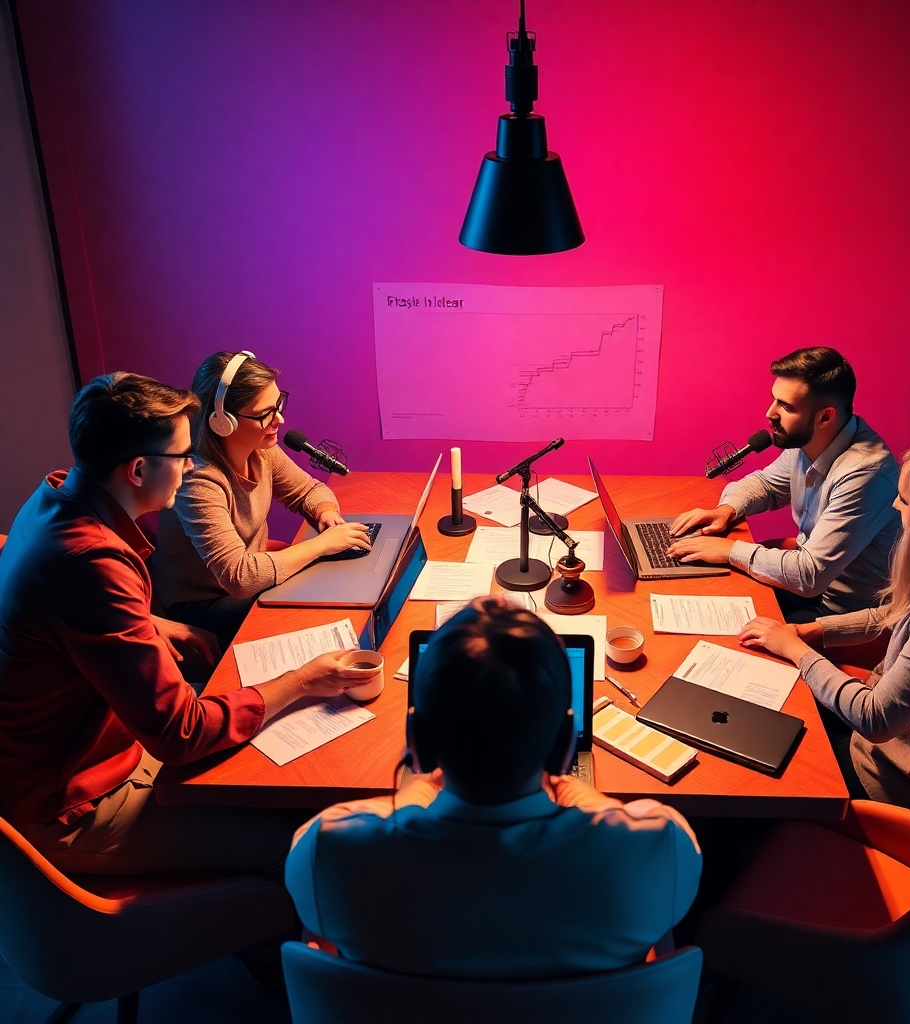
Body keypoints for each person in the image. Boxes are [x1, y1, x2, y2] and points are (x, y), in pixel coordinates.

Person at [0, 372, 364, 877]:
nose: (192, 465)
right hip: (74, 805)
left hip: (108, 744)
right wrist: (303, 680)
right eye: (182, 455)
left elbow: (54, 603)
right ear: (138, 470)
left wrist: (148, 622)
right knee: (304, 839)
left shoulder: (57, 497)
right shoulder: (91, 565)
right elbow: (181, 734)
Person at [286, 597, 702, 979]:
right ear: (564, 744)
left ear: (418, 740)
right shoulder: (658, 845)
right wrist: (579, 794)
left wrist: (417, 793)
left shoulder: (330, 849)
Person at [737, 443, 910, 815]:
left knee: (751, 761)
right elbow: (892, 614)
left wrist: (797, 652)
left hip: (903, 784)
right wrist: (811, 631)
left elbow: (875, 720)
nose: (894, 505)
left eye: (903, 500)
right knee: (767, 710)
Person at [149, 351, 370, 651]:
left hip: (245, 581)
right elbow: (239, 577)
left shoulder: (261, 449)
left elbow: (309, 490)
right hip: (202, 605)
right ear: (223, 422)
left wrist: (325, 513)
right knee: (315, 613)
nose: (279, 419)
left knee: (331, 587)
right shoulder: (197, 480)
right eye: (265, 413)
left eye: (278, 404)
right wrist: (323, 545)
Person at [667, 347, 900, 622]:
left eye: (786, 407)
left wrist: (729, 551)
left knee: (711, 621)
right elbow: (767, 484)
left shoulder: (865, 473)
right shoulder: (811, 438)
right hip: (801, 590)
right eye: (774, 400)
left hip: (837, 614)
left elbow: (809, 576)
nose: (770, 413)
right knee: (692, 589)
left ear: (825, 416)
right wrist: (726, 510)